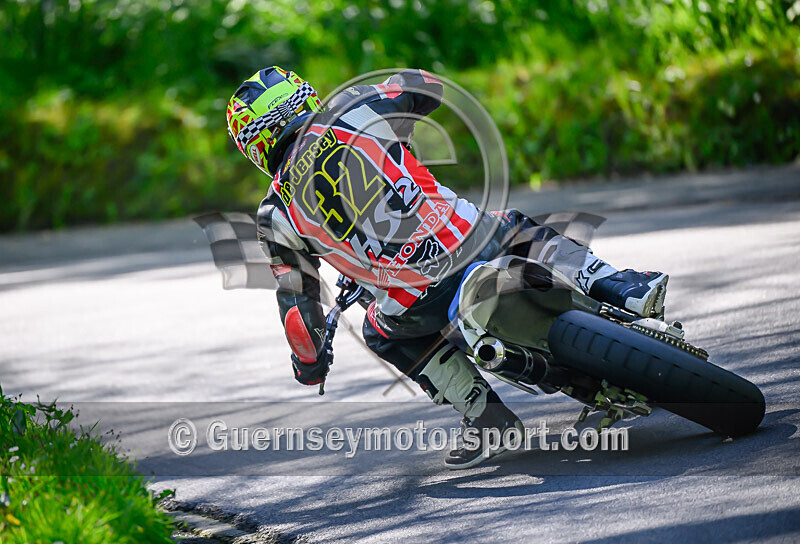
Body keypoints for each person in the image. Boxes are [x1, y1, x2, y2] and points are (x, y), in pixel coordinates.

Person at [226, 67, 668, 469]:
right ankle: (619, 284)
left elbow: (298, 316)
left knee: (378, 332)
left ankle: (485, 416)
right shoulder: (357, 107)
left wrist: (310, 366)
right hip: (475, 241)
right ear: (304, 97)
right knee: (516, 226)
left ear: (256, 145)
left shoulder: (274, 213)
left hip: (417, 304)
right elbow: (425, 86)